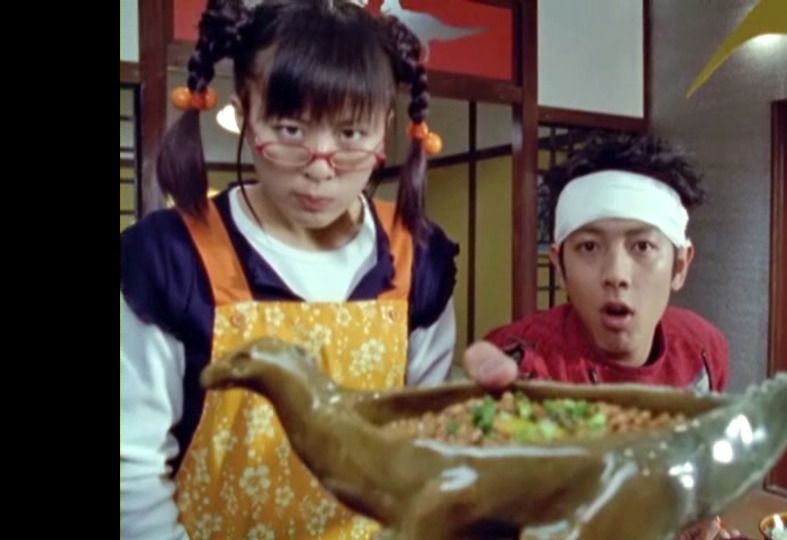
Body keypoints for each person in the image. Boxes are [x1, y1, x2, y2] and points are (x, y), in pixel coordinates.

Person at [120, 1, 458, 538]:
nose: (319, 166)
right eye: (291, 129)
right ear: (243, 112)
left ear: (387, 129)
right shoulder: (172, 256)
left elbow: (426, 439)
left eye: (351, 134)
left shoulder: (416, 256)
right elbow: (132, 466)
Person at [464, 132, 736, 540]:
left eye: (642, 246)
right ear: (560, 267)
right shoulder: (524, 370)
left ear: (680, 265)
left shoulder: (702, 351)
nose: (616, 275)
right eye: (590, 247)